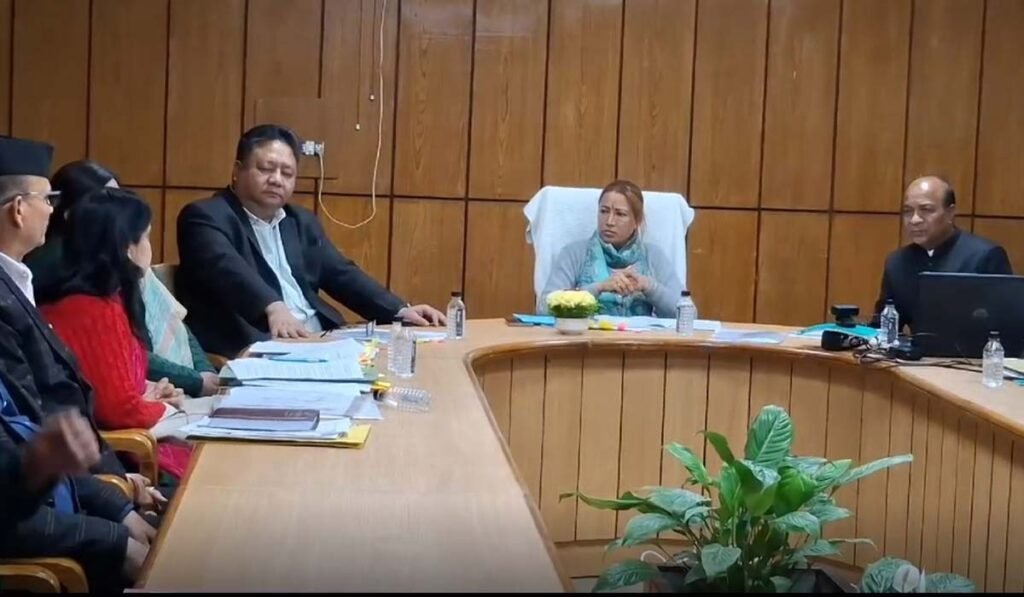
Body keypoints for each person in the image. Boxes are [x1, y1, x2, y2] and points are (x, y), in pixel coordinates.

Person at [176, 123, 445, 357]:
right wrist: (273, 307)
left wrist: (399, 310)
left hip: (319, 340)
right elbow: (225, 268)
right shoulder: (204, 217)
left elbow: (341, 274)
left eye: (287, 173)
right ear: (237, 170)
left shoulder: (299, 221)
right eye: (266, 169)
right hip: (258, 345)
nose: (276, 180)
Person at [0, 135, 164, 507]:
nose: (53, 211)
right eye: (47, 199)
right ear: (19, 210)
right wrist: (116, 503)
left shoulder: (20, 279)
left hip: (78, 479)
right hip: (47, 499)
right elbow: (42, 415)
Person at [39, 189, 215, 479]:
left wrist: (150, 392)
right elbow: (117, 411)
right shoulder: (92, 310)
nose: (149, 247)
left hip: (131, 437)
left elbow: (113, 384)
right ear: (126, 248)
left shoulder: (107, 299)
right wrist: (163, 407)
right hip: (121, 458)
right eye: (145, 237)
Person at [27, 160, 220, 398]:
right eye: (105, 200)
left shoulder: (127, 267)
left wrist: (204, 371)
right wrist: (194, 381)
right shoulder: (74, 279)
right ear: (73, 215)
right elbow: (122, 361)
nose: (120, 207)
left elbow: (175, 324)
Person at [0, 373, 152, 592]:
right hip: (46, 567)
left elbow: (47, 451)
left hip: (73, 517)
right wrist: (115, 540)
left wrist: (121, 510)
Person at [872, 176, 1013, 330]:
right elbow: (882, 327)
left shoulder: (984, 256)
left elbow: (1007, 323)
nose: (914, 220)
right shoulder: (897, 262)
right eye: (908, 211)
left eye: (926, 210)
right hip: (917, 345)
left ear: (950, 212)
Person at [538, 180, 685, 318]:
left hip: (640, 337)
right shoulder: (574, 253)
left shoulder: (653, 256)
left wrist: (649, 287)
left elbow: (686, 313)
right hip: (587, 337)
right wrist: (599, 288)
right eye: (604, 211)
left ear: (637, 221)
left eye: (620, 214)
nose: (609, 221)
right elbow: (543, 308)